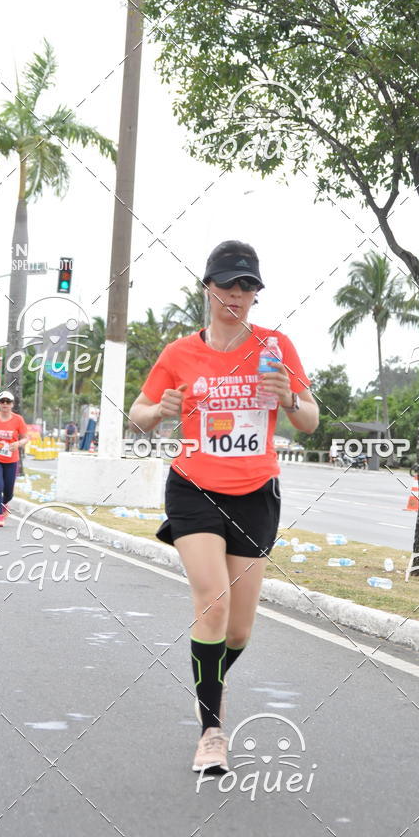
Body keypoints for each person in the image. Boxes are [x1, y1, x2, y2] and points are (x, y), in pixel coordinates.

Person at [130, 240, 319, 774]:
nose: (237, 295)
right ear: (208, 288)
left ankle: (208, 680)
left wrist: (289, 397)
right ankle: (212, 729)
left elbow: (309, 420)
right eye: (228, 285)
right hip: (194, 488)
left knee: (237, 630)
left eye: (247, 287)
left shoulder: (275, 347)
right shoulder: (179, 354)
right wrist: (158, 409)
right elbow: (139, 414)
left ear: (256, 295)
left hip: (257, 493)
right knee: (211, 602)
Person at [0, 390, 29, 526]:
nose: (5, 404)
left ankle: (3, 505)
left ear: (12, 404)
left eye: (8, 401)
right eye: (2, 401)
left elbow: (26, 437)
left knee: (9, 492)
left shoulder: (18, 420)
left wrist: (18, 443)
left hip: (11, 460)